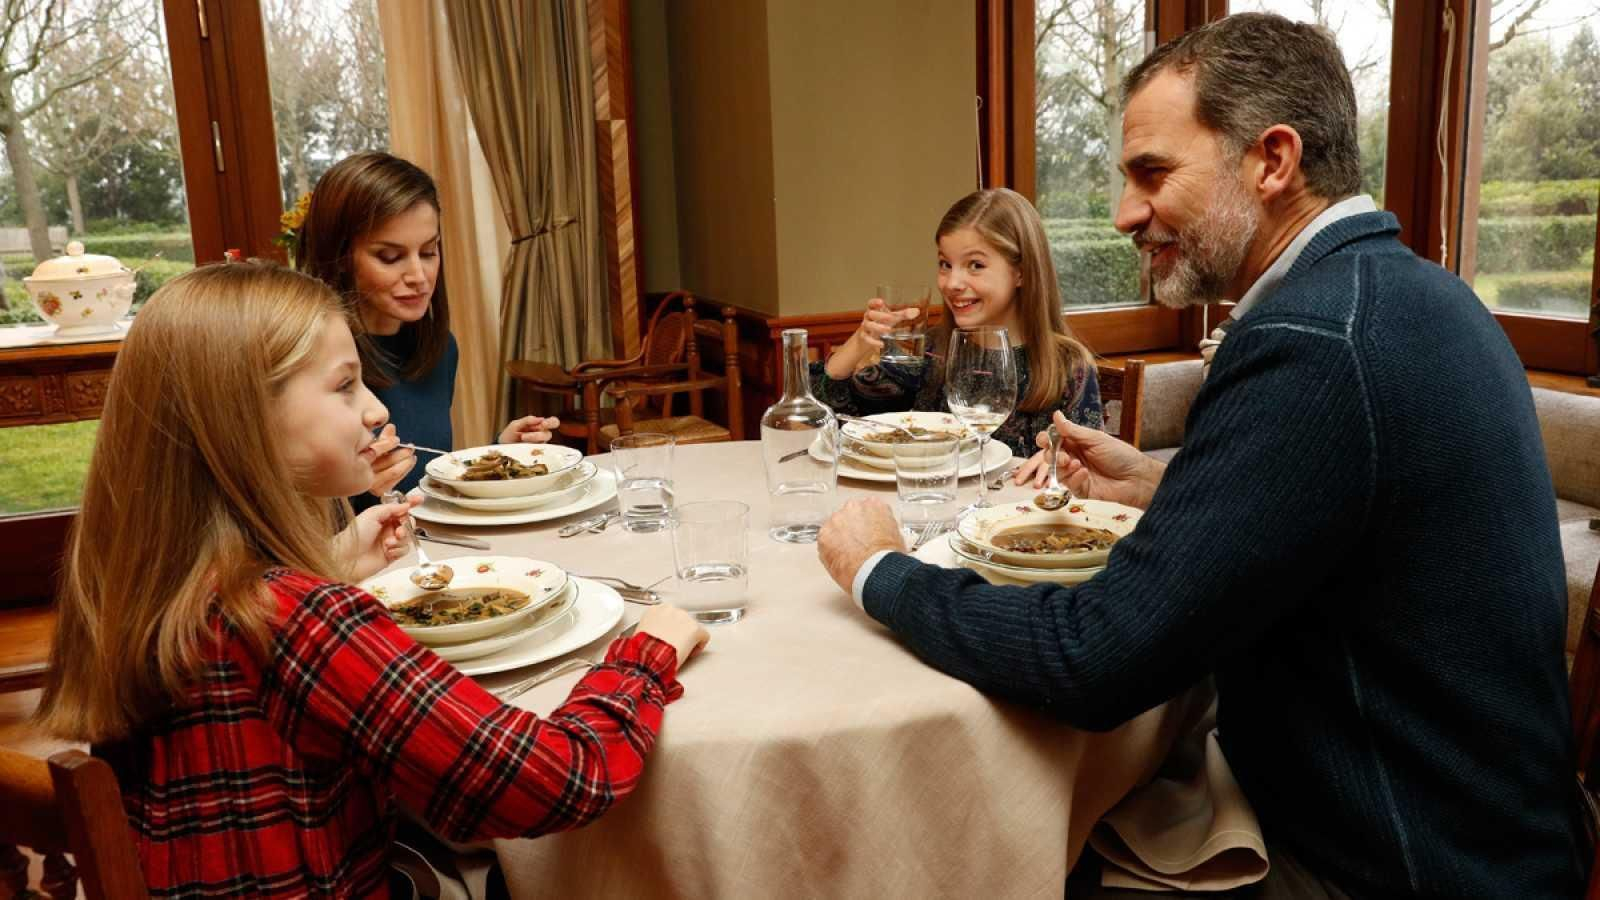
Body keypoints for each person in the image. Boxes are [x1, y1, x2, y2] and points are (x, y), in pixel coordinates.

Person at [818, 13, 1584, 897]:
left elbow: (1094, 659)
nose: (1123, 214)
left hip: (1393, 865)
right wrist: (1170, 488)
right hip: (1495, 835)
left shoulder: (1311, 340)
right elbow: (1352, 522)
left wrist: (879, 569)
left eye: (1152, 173)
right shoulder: (1420, 295)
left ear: (1273, 160)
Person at [36, 263, 709, 896]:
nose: (377, 410)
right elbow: (554, 780)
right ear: (241, 420)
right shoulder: (299, 622)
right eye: (344, 386)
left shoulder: (143, 583)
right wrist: (647, 654)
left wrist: (325, 567)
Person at [294, 152, 560, 498]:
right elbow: (289, 514)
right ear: (340, 257)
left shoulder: (441, 349)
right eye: (390, 257)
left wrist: (500, 454)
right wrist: (358, 491)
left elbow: (424, 481)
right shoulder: (307, 361)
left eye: (428, 252)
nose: (419, 277)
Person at [810, 188, 1103, 458]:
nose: (952, 283)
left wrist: (1061, 464)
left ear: (1021, 272)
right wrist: (860, 342)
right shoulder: (929, 352)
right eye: (945, 264)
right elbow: (826, 416)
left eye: (975, 265)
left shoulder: (1068, 367)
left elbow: (1087, 470)